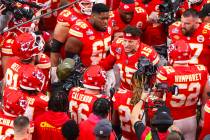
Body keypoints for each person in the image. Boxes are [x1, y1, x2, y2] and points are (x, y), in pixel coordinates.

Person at [156, 40, 210, 140]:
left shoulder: (165, 72)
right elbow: (205, 100)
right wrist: (202, 119)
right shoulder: (202, 70)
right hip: (191, 119)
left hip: (171, 120)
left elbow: (157, 98)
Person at [100, 25, 159, 90]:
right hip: (121, 88)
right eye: (125, 40)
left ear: (137, 41)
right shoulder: (117, 45)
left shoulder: (149, 54)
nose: (126, 45)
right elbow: (107, 64)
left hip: (139, 92)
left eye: (130, 42)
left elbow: (154, 79)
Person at [50, 0, 95, 82]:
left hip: (91, 59)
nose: (90, 6)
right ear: (76, 3)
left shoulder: (94, 14)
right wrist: (54, 72)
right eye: (86, 3)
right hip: (71, 61)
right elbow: (55, 48)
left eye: (91, 3)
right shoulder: (67, 17)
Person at [65, 3, 111, 67]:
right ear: (93, 16)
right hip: (85, 71)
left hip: (105, 68)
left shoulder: (109, 25)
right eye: (102, 18)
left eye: (107, 18)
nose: (106, 22)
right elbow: (70, 58)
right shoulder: (80, 30)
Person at [168, 9, 210, 73]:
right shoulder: (174, 28)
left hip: (200, 76)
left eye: (187, 23)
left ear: (197, 22)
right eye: (182, 22)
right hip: (178, 75)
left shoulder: (207, 32)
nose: (182, 26)